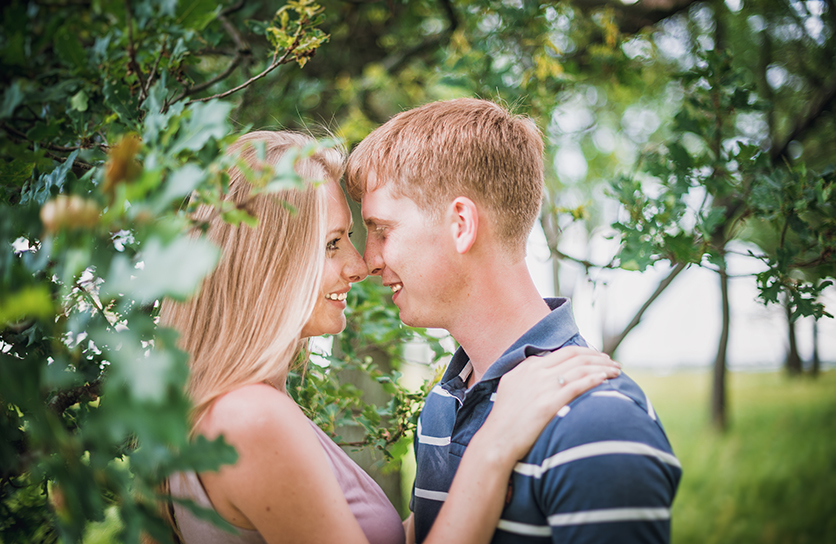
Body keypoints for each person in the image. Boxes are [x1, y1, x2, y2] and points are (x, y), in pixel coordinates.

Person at [157, 130, 621, 544]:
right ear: (268, 261)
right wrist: (494, 447)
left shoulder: (230, 407)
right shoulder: (252, 418)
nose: (359, 265)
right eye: (332, 243)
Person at [345, 98, 683, 544]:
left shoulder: (597, 420)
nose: (369, 260)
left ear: (461, 224)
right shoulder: (445, 402)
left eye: (383, 230)